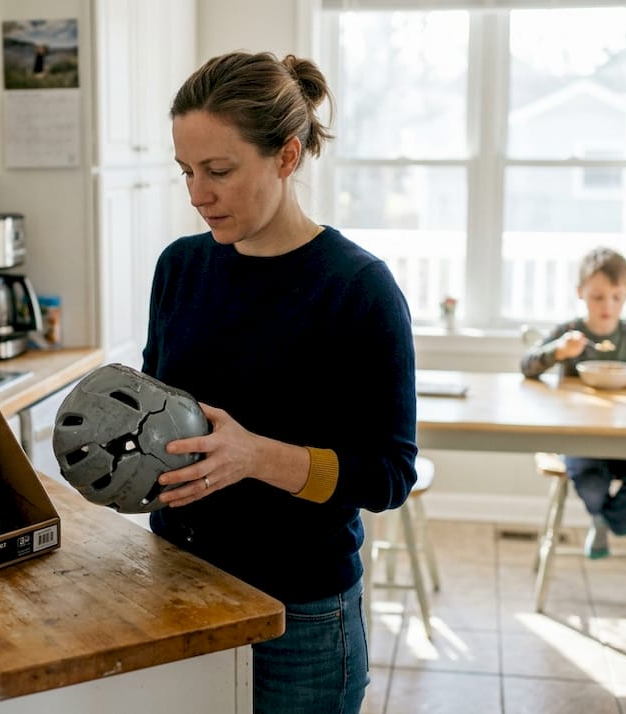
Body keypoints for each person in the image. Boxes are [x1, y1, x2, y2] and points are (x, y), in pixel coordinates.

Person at [142, 51, 418, 714]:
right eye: (185, 171)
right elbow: (158, 415)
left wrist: (253, 456)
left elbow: (388, 475)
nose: (197, 194)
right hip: (177, 588)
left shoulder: (358, 289)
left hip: (300, 614)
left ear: (287, 157)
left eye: (219, 171)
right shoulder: (180, 267)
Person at [520, 247, 626, 559]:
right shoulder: (570, 333)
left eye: (617, 297)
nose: (607, 305)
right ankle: (602, 516)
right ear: (581, 293)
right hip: (581, 438)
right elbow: (527, 365)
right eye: (598, 297)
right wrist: (559, 352)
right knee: (590, 482)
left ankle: (609, 519)